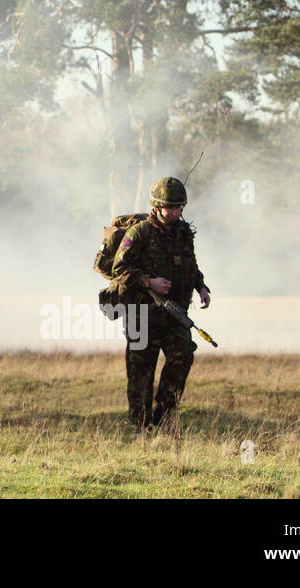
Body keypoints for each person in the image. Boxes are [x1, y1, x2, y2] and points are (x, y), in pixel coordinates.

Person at [108, 176, 211, 434]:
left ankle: (165, 418)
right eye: (170, 207)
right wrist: (149, 282)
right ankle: (141, 428)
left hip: (174, 312)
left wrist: (201, 287)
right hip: (142, 313)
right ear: (156, 206)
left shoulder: (183, 232)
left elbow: (191, 266)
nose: (175, 212)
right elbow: (118, 269)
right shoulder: (139, 233)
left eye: (178, 207)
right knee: (141, 371)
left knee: (183, 356)